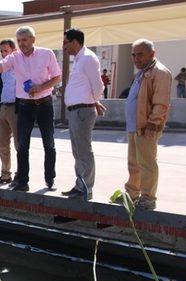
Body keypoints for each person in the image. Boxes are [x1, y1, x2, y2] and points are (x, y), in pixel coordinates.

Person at [0, 26, 62, 192]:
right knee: (22, 145)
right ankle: (22, 182)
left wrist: (40, 87)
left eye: (24, 40)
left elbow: (57, 77)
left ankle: (50, 179)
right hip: (24, 105)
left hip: (44, 103)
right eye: (19, 41)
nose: (21, 44)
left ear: (33, 39)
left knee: (49, 143)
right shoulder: (14, 57)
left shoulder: (47, 54)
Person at [122, 39, 172, 210]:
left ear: (152, 54)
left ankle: (148, 198)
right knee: (134, 163)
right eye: (133, 55)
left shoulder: (160, 72)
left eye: (140, 54)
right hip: (134, 126)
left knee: (147, 164)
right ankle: (132, 194)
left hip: (146, 126)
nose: (136, 59)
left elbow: (161, 102)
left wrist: (153, 123)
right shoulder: (143, 72)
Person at [61, 28, 106, 201]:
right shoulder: (80, 59)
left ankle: (86, 188)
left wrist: (93, 101)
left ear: (74, 42)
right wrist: (93, 101)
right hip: (77, 110)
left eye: (66, 43)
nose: (64, 47)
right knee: (78, 151)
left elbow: (98, 86)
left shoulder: (88, 58)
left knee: (83, 150)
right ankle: (80, 185)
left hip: (82, 110)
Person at [0, 39, 18, 185]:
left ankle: (21, 175)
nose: (3, 53)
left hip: (16, 108)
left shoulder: (20, 64)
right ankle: (5, 175)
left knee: (20, 145)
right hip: (4, 107)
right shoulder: (3, 69)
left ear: (13, 50)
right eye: (1, 51)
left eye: (6, 50)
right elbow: (1, 89)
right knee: (3, 145)